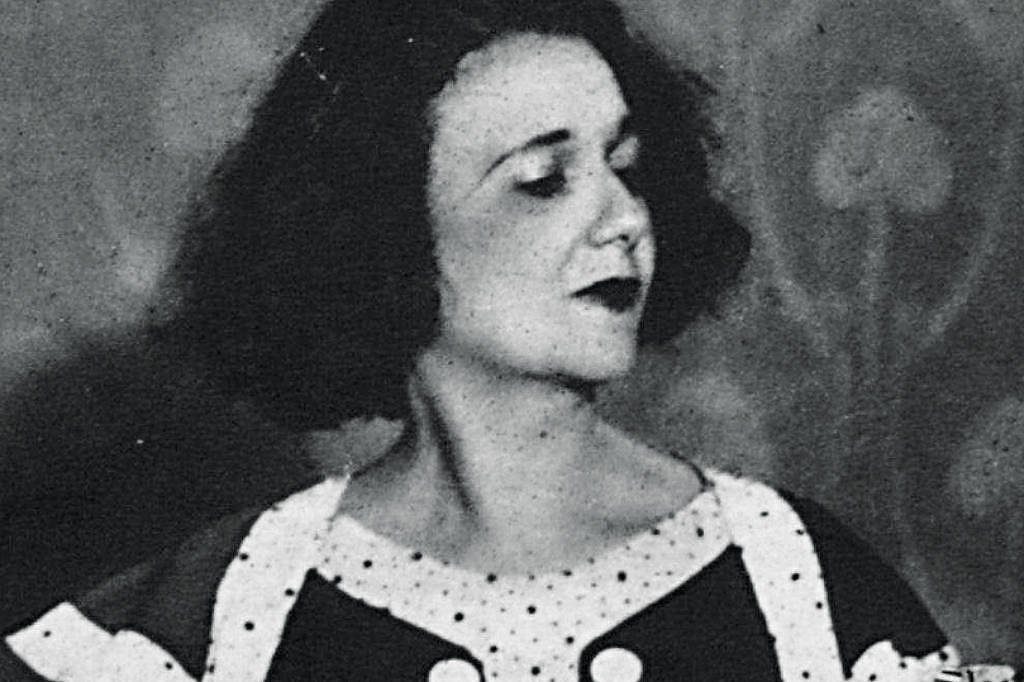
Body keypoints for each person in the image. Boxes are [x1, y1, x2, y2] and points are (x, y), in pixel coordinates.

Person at [1, 0, 1011, 680]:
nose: (623, 217)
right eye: (542, 180)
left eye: (626, 165)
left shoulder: (797, 586)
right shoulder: (223, 616)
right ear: (388, 230)